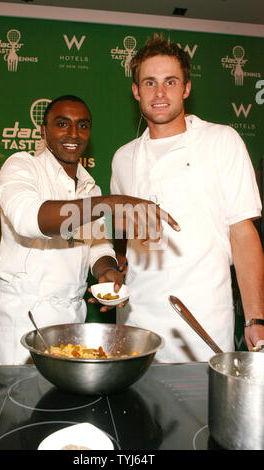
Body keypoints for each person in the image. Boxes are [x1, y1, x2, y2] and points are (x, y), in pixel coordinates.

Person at [0, 94, 179, 365]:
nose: (73, 133)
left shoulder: (89, 188)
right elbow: (28, 220)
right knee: (15, 405)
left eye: (83, 125)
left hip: (72, 321)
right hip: (22, 319)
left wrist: (107, 272)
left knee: (63, 406)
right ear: (43, 130)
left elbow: (98, 247)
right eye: (62, 124)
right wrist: (111, 203)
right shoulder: (22, 166)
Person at [110, 34, 264, 362]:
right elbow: (121, 230)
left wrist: (255, 318)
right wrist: (116, 268)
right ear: (136, 91)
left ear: (187, 88)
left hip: (203, 324)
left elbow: (243, 233)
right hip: (136, 325)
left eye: (170, 81)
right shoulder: (123, 158)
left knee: (203, 413)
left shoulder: (222, 141)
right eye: (149, 83)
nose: (160, 93)